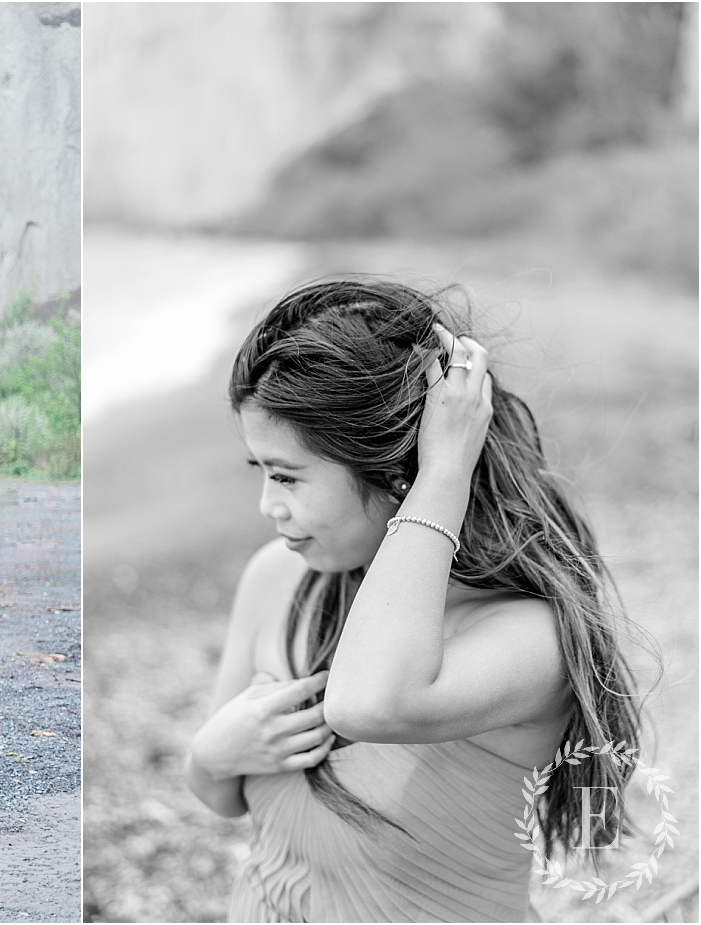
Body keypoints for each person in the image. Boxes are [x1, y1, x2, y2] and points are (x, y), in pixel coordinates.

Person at [184, 279, 644, 922]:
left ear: (395, 470)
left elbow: (368, 703)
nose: (269, 506)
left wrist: (444, 472)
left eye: (287, 476)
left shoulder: (529, 637)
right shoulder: (278, 580)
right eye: (258, 471)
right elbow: (221, 795)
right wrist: (210, 754)